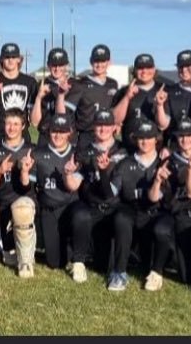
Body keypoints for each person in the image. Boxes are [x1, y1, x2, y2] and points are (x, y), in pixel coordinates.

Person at [148, 118, 191, 290]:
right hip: (180, 217)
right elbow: (154, 198)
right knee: (188, 278)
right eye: (181, 136)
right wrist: (156, 181)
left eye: (189, 135)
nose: (185, 140)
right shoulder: (168, 162)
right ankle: (157, 270)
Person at [66, 110, 129, 283]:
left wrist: (104, 171)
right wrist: (68, 174)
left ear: (114, 128)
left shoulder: (122, 152)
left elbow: (110, 193)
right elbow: (74, 184)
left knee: (102, 265)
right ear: (93, 127)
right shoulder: (85, 152)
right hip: (91, 206)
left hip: (112, 206)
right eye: (99, 125)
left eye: (107, 125)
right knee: (80, 214)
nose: (103, 129)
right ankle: (78, 262)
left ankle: (120, 269)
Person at [105, 119, 164, 291]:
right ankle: (119, 272)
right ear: (135, 140)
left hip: (155, 212)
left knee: (164, 228)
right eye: (141, 138)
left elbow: (158, 198)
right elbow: (111, 192)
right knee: (121, 218)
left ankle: (157, 271)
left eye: (149, 137)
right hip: (132, 208)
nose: (144, 141)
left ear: (156, 139)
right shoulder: (125, 163)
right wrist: (103, 172)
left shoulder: (163, 163)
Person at [0, 109, 38, 277]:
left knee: (22, 208)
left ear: (23, 126)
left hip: (25, 202)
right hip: (4, 205)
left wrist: (24, 171)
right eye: (8, 123)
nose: (11, 128)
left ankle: (26, 263)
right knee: (9, 257)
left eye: (16, 124)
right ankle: (21, 247)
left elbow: (27, 187)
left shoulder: (30, 150)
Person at [30, 113, 81, 271]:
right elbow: (28, 186)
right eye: (54, 130)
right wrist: (25, 172)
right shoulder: (37, 154)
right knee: (54, 263)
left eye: (62, 131)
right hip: (48, 208)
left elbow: (75, 186)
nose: (58, 135)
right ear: (48, 131)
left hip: (70, 207)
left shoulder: (77, 154)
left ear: (69, 132)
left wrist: (68, 174)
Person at [63, 44, 118, 149]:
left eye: (103, 61)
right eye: (96, 61)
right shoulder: (80, 84)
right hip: (87, 135)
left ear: (109, 62)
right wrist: (72, 133)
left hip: (107, 135)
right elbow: (67, 111)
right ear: (91, 61)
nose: (99, 64)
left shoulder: (113, 84)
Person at [112, 54, 170, 151]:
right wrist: (127, 97)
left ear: (154, 69)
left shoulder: (163, 90)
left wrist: (159, 105)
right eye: (140, 68)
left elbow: (163, 125)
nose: (144, 71)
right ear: (134, 70)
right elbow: (115, 120)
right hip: (130, 149)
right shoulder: (124, 91)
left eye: (148, 67)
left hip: (155, 151)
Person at [0, 43, 38, 145]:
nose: (10, 60)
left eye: (14, 57)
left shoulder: (30, 82)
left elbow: (35, 121)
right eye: (7, 57)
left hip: (22, 137)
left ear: (19, 59)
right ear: (1, 60)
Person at [163, 49, 191, 149]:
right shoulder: (169, 91)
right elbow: (164, 125)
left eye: (188, 66)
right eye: (181, 66)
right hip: (178, 147)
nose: (184, 69)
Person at [30, 48, 74, 148]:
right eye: (54, 65)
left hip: (67, 138)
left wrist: (61, 94)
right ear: (48, 65)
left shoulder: (75, 86)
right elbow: (34, 122)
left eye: (61, 65)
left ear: (66, 65)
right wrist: (38, 98)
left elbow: (62, 116)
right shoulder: (39, 86)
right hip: (45, 137)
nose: (57, 68)